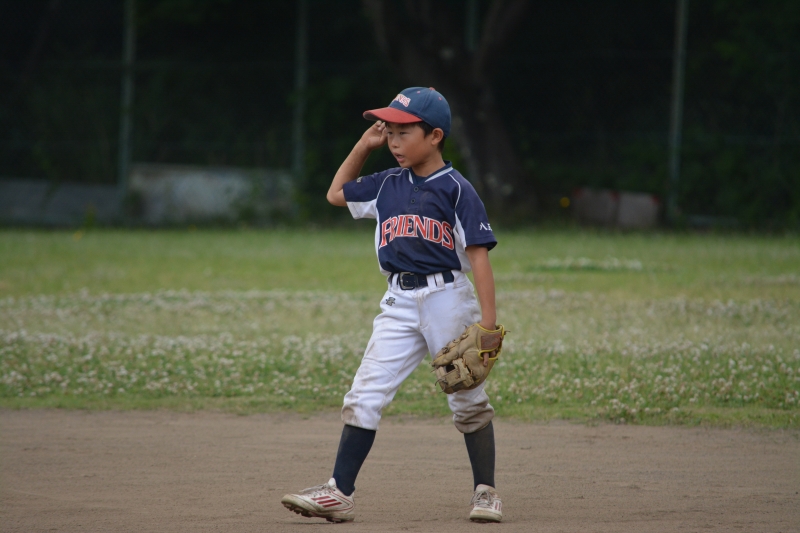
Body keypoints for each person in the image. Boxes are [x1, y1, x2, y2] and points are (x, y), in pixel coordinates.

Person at [281, 87, 502, 523]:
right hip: (398, 301)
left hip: (446, 298)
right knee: (364, 394)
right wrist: (364, 145)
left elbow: (479, 256)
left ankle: (486, 492)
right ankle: (339, 493)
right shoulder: (386, 183)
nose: (394, 141)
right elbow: (336, 194)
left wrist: (489, 326)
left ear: (435, 136)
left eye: (404, 132)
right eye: (389, 132)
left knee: (467, 397)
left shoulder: (457, 189)